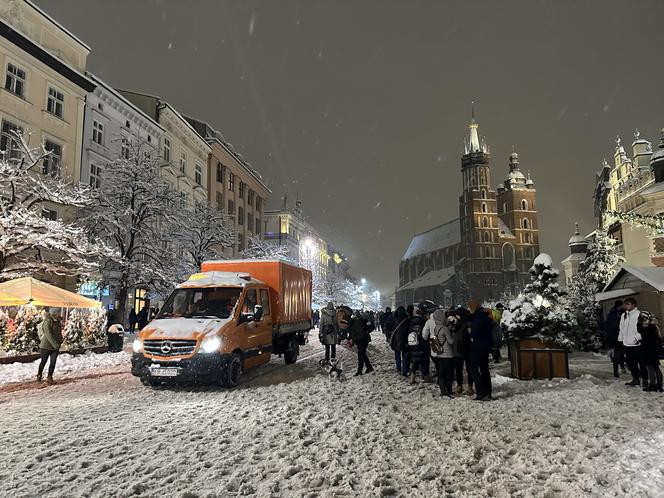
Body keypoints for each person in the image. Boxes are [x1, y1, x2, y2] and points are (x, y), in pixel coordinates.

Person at [423, 308, 455, 397]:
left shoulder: (436, 328)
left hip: (439, 354)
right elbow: (451, 341)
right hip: (448, 354)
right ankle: (449, 391)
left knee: (441, 373)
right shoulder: (445, 328)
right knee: (448, 373)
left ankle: (443, 391)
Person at [468, 300, 493, 401]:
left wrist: (471, 331)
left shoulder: (478, 318)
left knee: (473, 368)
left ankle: (481, 392)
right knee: (484, 369)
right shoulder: (485, 316)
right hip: (486, 346)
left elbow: (475, 332)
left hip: (478, 346)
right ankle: (487, 392)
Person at [619, 297, 645, 387]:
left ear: (634, 305)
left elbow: (643, 329)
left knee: (641, 363)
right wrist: (621, 339)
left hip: (637, 344)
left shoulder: (639, 315)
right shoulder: (624, 315)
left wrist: (636, 338)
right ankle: (635, 379)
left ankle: (645, 380)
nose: (626, 306)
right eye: (625, 304)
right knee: (631, 363)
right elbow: (621, 328)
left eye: (628, 304)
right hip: (626, 344)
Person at [637, 311, 663, 392]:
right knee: (656, 367)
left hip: (648, 350)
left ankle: (652, 385)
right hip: (653, 350)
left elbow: (639, 329)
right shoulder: (654, 327)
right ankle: (659, 385)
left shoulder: (647, 328)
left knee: (650, 368)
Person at [37, 308, 63, 384]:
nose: (59, 314)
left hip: (55, 346)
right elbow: (48, 335)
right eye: (58, 312)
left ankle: (50, 377)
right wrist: (55, 344)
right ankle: (39, 375)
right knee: (43, 361)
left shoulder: (58, 321)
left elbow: (58, 333)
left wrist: (61, 340)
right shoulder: (48, 321)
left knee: (53, 362)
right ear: (54, 313)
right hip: (46, 346)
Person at [450, 308, 474, 395]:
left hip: (466, 350)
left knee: (468, 369)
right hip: (459, 350)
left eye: (458, 314)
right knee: (459, 369)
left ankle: (469, 386)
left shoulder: (467, 324)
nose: (456, 316)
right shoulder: (456, 324)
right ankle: (460, 385)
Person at [406, 304, 429, 384]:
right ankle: (425, 376)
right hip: (421, 343)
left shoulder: (412, 321)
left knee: (414, 361)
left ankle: (412, 377)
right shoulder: (423, 322)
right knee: (424, 360)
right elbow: (425, 334)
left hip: (413, 342)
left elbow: (409, 332)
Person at [603, 300, 625, 378]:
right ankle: (618, 369)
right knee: (618, 353)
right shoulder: (616, 314)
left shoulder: (612, 313)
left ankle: (619, 368)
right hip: (615, 336)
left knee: (618, 353)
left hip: (613, 336)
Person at [349, 311, 374, 376]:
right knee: (362, 354)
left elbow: (371, 326)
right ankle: (369, 367)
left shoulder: (362, 320)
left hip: (362, 339)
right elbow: (351, 331)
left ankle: (360, 371)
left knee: (361, 355)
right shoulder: (355, 321)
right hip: (361, 339)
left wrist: (367, 331)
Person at [389, 306, 410, 376]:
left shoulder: (393, 318)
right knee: (405, 355)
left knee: (397, 354)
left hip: (396, 339)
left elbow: (387, 325)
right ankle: (405, 369)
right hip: (405, 339)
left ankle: (398, 367)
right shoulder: (407, 319)